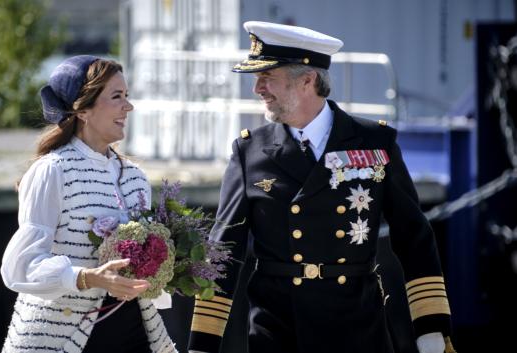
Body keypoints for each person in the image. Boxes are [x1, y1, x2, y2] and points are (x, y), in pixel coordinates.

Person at [188, 22, 456, 353]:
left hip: (358, 328)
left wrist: (430, 326)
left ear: (307, 80)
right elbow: (224, 249)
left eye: (267, 77)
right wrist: (203, 341)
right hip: (278, 331)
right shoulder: (249, 151)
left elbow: (414, 237)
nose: (257, 89)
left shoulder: (375, 142)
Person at [0, 55, 177, 353]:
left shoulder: (136, 177)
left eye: (127, 96)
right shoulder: (52, 170)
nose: (128, 106)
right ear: (83, 110)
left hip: (134, 331)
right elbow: (19, 267)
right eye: (117, 97)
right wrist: (86, 277)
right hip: (60, 337)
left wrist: (173, 263)